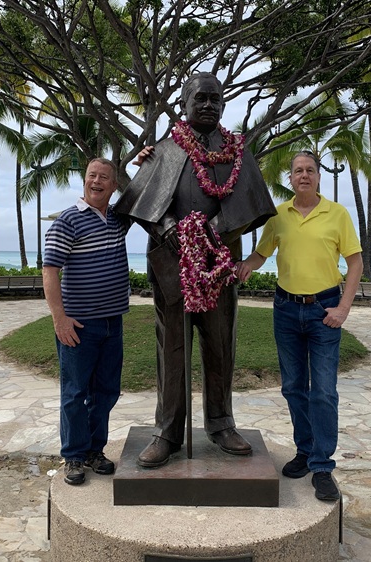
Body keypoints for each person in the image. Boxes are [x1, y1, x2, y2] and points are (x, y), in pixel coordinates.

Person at [116, 72, 276, 468]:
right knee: (171, 347)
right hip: (172, 263)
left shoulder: (237, 151)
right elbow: (140, 202)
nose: (207, 105)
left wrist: (210, 232)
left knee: (220, 344)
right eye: (199, 98)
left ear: (223, 105)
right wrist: (169, 227)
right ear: (184, 103)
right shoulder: (164, 150)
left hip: (219, 262)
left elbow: (251, 205)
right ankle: (167, 431)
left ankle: (221, 424)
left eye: (214, 99)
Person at [236, 150, 363, 502]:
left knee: (323, 391)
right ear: (290, 178)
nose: (304, 175)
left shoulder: (337, 214)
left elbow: (355, 263)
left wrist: (343, 308)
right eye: (298, 171)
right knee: (293, 387)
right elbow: (261, 254)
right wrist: (245, 265)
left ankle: (322, 465)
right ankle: (305, 451)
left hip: (325, 310)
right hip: (286, 310)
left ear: (318, 177)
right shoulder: (279, 215)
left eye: (309, 170)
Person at [42, 157, 130, 486]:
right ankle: (74, 456)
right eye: (92, 175)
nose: (97, 181)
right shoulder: (68, 221)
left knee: (105, 392)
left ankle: (95, 450)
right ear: (84, 180)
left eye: (104, 177)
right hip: (79, 325)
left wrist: (142, 161)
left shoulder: (118, 219)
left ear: (114, 185)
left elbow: (142, 193)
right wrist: (60, 319)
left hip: (112, 323)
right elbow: (50, 271)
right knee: (75, 393)